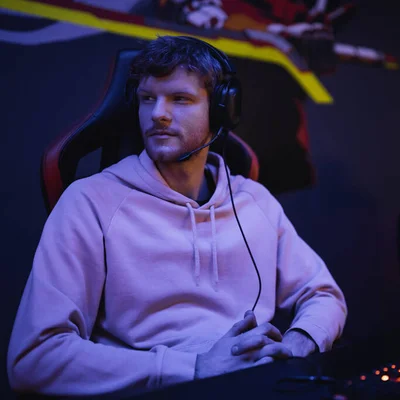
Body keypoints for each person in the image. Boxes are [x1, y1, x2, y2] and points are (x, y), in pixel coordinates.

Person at [7, 35, 347, 396]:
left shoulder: (255, 202)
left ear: (220, 111)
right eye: (147, 99)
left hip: (254, 385)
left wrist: (299, 343)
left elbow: (324, 295)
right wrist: (194, 368)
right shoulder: (90, 202)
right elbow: (35, 358)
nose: (158, 114)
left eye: (180, 99)